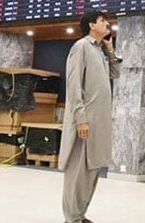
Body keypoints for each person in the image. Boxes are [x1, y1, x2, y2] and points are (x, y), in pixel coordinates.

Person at [59, 11, 121, 223]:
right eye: (103, 21)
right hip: (85, 121)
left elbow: (115, 73)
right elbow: (74, 85)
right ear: (92, 25)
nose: (107, 24)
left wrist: (110, 49)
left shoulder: (100, 51)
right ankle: (71, 218)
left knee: (92, 170)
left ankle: (80, 214)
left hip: (99, 123)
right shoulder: (81, 47)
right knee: (77, 172)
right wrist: (80, 118)